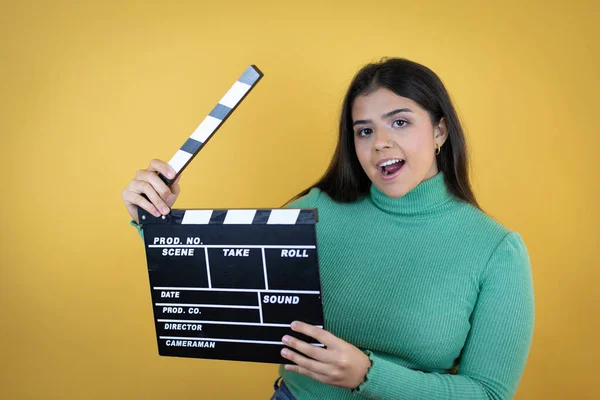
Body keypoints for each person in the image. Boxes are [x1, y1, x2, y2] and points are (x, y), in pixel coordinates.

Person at [122, 57, 535, 399]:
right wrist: (154, 220)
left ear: (440, 129)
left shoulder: (496, 250)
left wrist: (369, 375)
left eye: (401, 123)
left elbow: (489, 393)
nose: (380, 144)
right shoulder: (317, 211)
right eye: (365, 131)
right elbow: (218, 280)